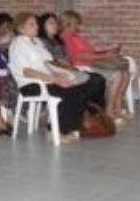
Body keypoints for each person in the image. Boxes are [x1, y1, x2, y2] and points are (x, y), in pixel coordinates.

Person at [9, 13, 91, 142]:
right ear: (21, 28)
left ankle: (68, 128)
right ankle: (53, 130)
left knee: (80, 90)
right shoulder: (19, 44)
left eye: (36, 23)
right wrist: (55, 80)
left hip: (47, 79)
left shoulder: (37, 42)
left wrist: (60, 73)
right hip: (31, 84)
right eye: (31, 24)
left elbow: (48, 64)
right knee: (68, 92)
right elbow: (27, 72)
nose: (37, 26)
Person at [60, 10, 130, 122]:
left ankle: (117, 108)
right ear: (68, 23)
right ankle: (109, 112)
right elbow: (78, 56)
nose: (78, 26)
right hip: (82, 67)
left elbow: (91, 53)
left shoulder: (75, 36)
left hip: (90, 64)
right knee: (118, 75)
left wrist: (107, 53)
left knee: (125, 74)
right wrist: (105, 56)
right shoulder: (67, 37)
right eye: (76, 23)